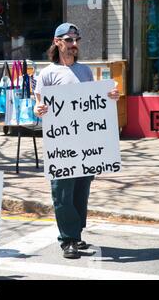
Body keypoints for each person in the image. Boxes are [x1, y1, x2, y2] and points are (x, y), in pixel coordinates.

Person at [33, 23, 120, 259]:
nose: (73, 45)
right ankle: (67, 239)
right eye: (69, 40)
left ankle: (77, 234)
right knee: (62, 192)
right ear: (57, 42)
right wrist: (39, 109)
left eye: (76, 40)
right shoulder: (47, 74)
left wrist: (110, 96)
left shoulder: (85, 71)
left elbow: (94, 103)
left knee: (81, 191)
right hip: (61, 145)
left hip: (85, 144)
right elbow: (38, 104)